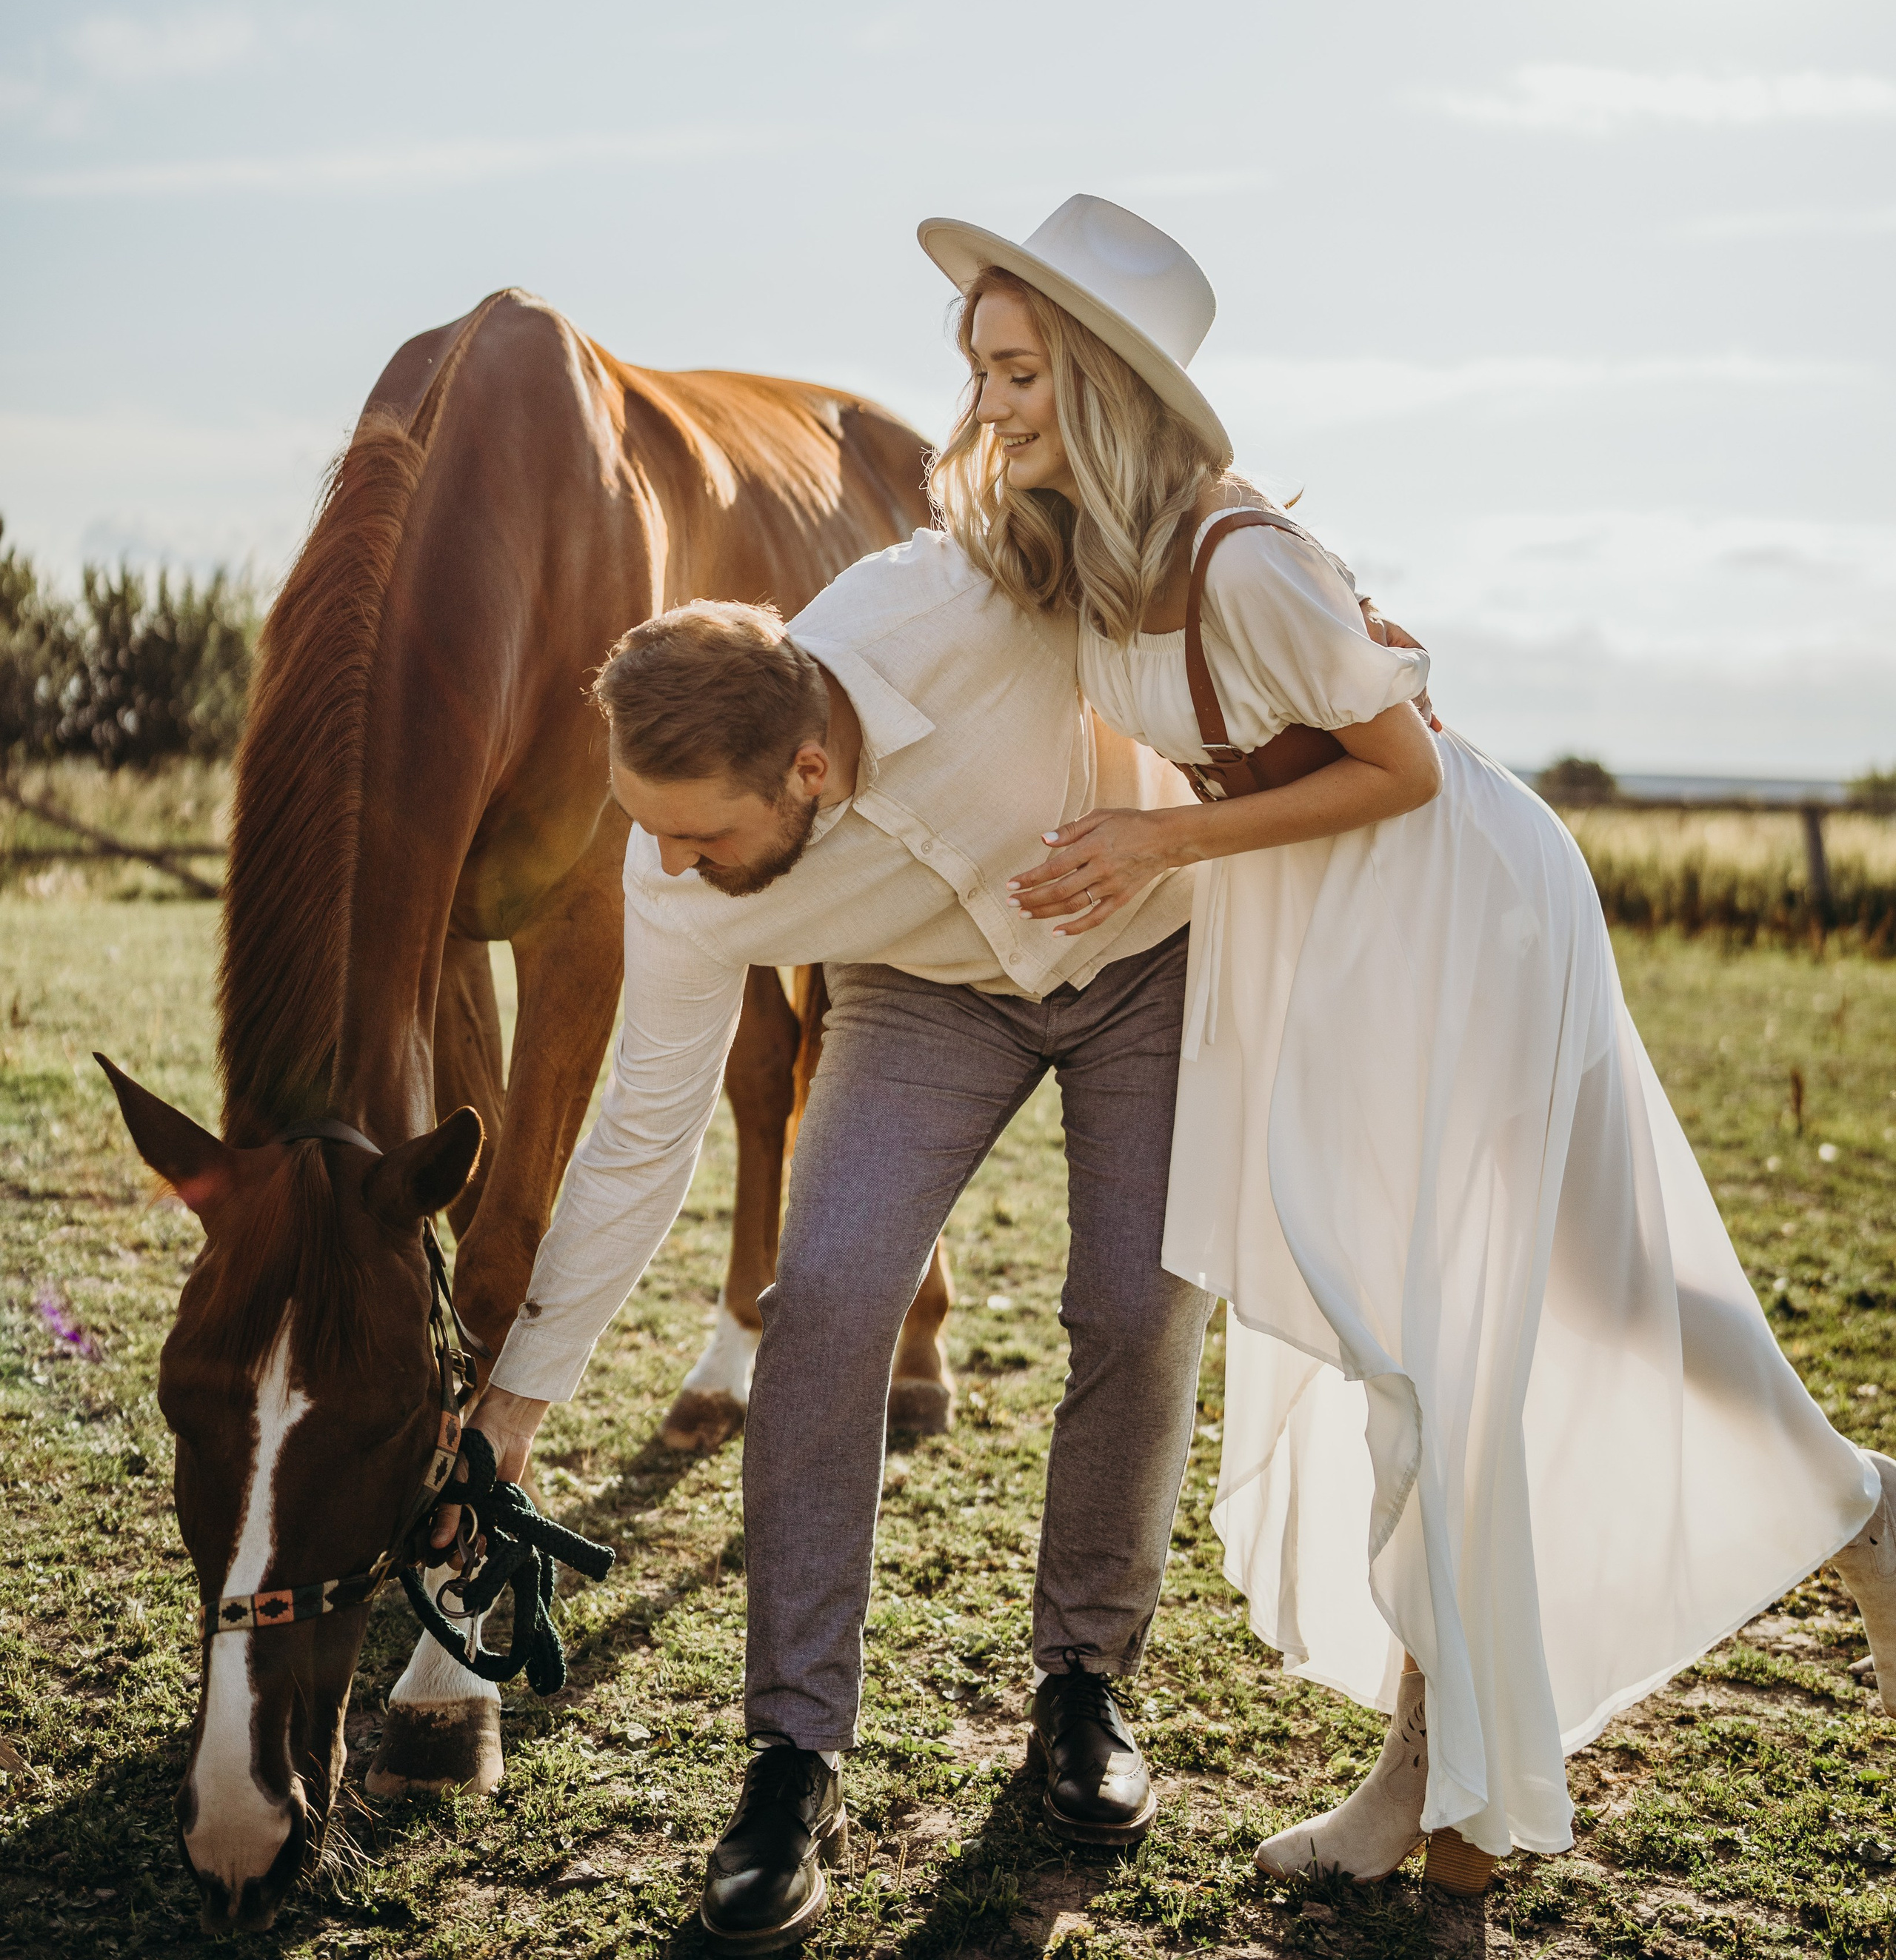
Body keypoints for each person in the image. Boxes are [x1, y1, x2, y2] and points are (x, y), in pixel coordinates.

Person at [920, 192, 1896, 1893]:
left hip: (1449, 908)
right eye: (979, 369)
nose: (985, 403)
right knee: (1497, 1313)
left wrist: (1154, 845)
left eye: (1015, 371)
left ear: (1094, 383)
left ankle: (1442, 1786)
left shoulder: (1246, 558)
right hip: (1321, 920)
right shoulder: (1077, 558)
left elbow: (1405, 769)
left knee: (1433, 1336)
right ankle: (1839, 1525)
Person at [439, 553, 1224, 1953]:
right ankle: (793, 1763)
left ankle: (1083, 1688)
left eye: (695, 838)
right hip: (924, 997)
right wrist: (511, 1410)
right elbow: (641, 1140)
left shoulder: (962, 606)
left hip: (1146, 956)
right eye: (647, 834)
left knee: (1136, 1301)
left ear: (808, 768)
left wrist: (1328, 649)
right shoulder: (671, 871)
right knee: (829, 1298)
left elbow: (1153, 560)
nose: (665, 871)